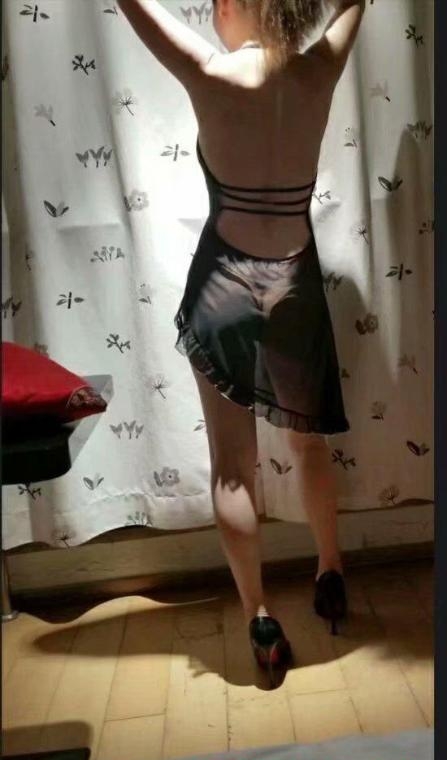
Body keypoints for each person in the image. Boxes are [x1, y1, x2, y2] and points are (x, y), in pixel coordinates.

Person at [118, 0, 365, 686]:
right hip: (295, 284)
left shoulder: (207, 71)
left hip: (224, 283)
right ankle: (331, 572)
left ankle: (259, 618)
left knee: (232, 468)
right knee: (308, 445)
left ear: (232, 6)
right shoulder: (319, 69)